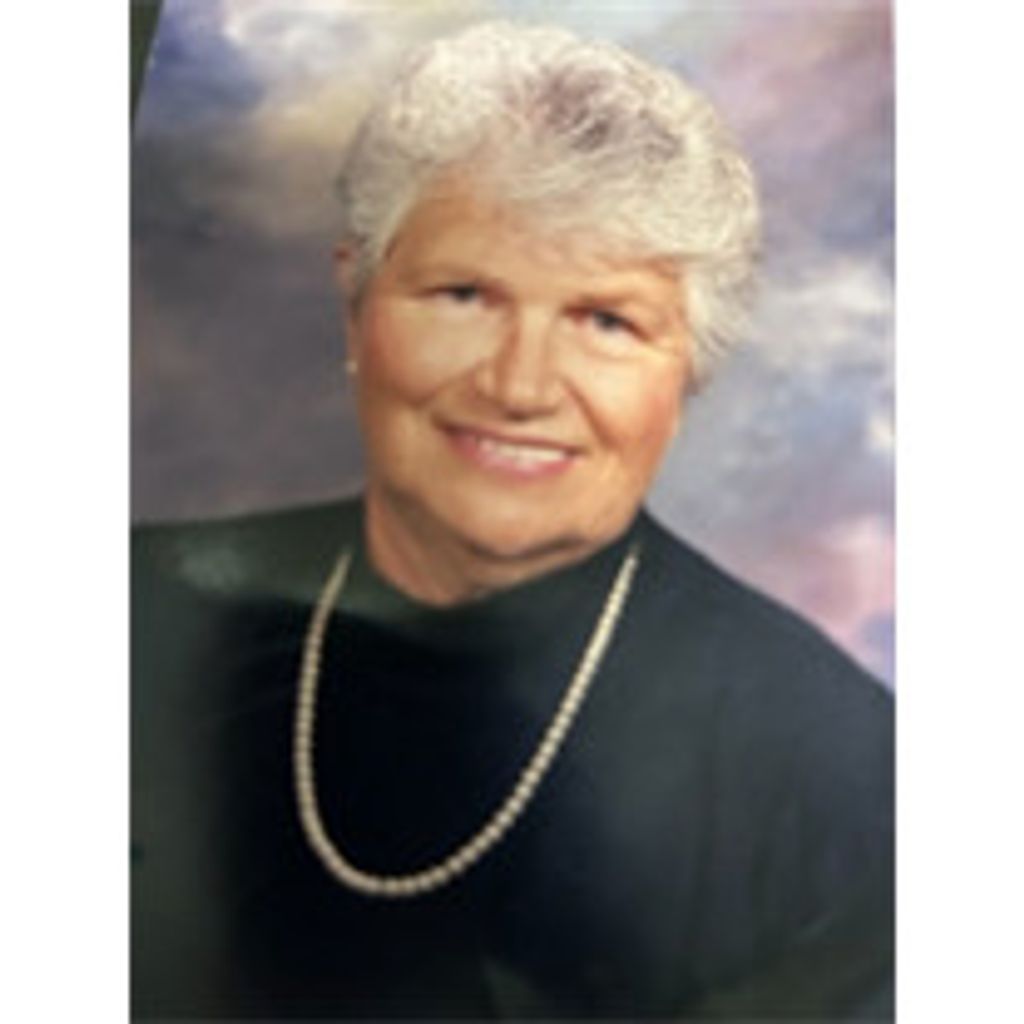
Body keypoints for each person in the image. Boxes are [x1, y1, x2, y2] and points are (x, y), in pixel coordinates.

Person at [132, 21, 893, 1020]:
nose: (520, 385)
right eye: (464, 295)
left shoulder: (843, 773)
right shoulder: (129, 610)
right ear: (358, 304)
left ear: (688, 369)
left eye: (605, 320)